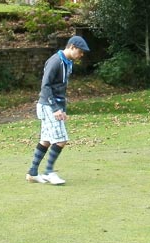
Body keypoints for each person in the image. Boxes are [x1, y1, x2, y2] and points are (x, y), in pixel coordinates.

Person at [26, 36, 90, 185]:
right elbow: (46, 86)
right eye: (80, 51)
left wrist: (63, 109)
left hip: (55, 106)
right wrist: (55, 109)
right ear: (72, 47)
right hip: (48, 105)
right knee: (61, 139)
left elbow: (61, 89)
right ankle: (49, 172)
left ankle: (32, 172)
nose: (81, 55)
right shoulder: (55, 61)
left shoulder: (68, 63)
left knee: (47, 140)